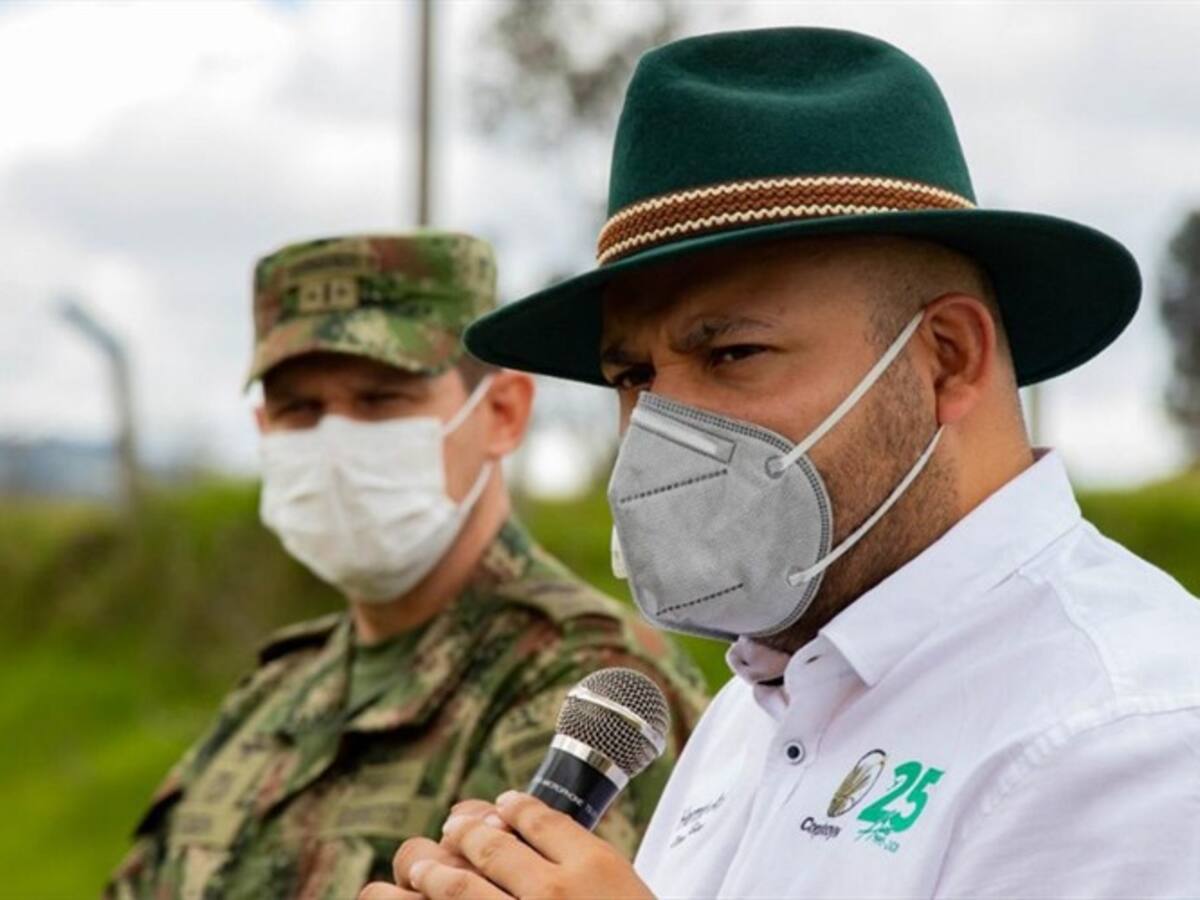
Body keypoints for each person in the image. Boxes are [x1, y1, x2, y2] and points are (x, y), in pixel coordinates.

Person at [365, 29, 1200, 900]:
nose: (659, 429)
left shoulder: (1132, 733)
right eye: (633, 377)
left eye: (732, 354)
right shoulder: (756, 709)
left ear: (948, 358)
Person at [105, 232, 707, 900]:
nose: (334, 441)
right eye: (298, 408)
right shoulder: (279, 690)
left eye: (381, 400)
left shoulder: (585, 695)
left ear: (503, 413)